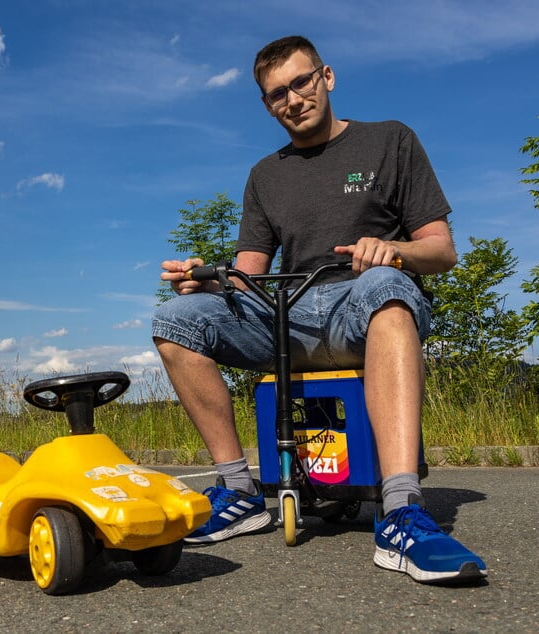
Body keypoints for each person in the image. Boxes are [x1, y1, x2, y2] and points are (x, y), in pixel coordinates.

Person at [152, 36, 487, 584]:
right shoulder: (265, 174)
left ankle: (401, 510)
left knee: (385, 285)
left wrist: (395, 251)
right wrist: (208, 279)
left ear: (326, 77)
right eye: (276, 93)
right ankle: (239, 491)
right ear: (267, 104)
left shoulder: (390, 140)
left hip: (367, 303)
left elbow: (442, 250)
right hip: (289, 311)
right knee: (174, 320)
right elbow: (249, 277)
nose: (293, 99)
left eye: (301, 82)